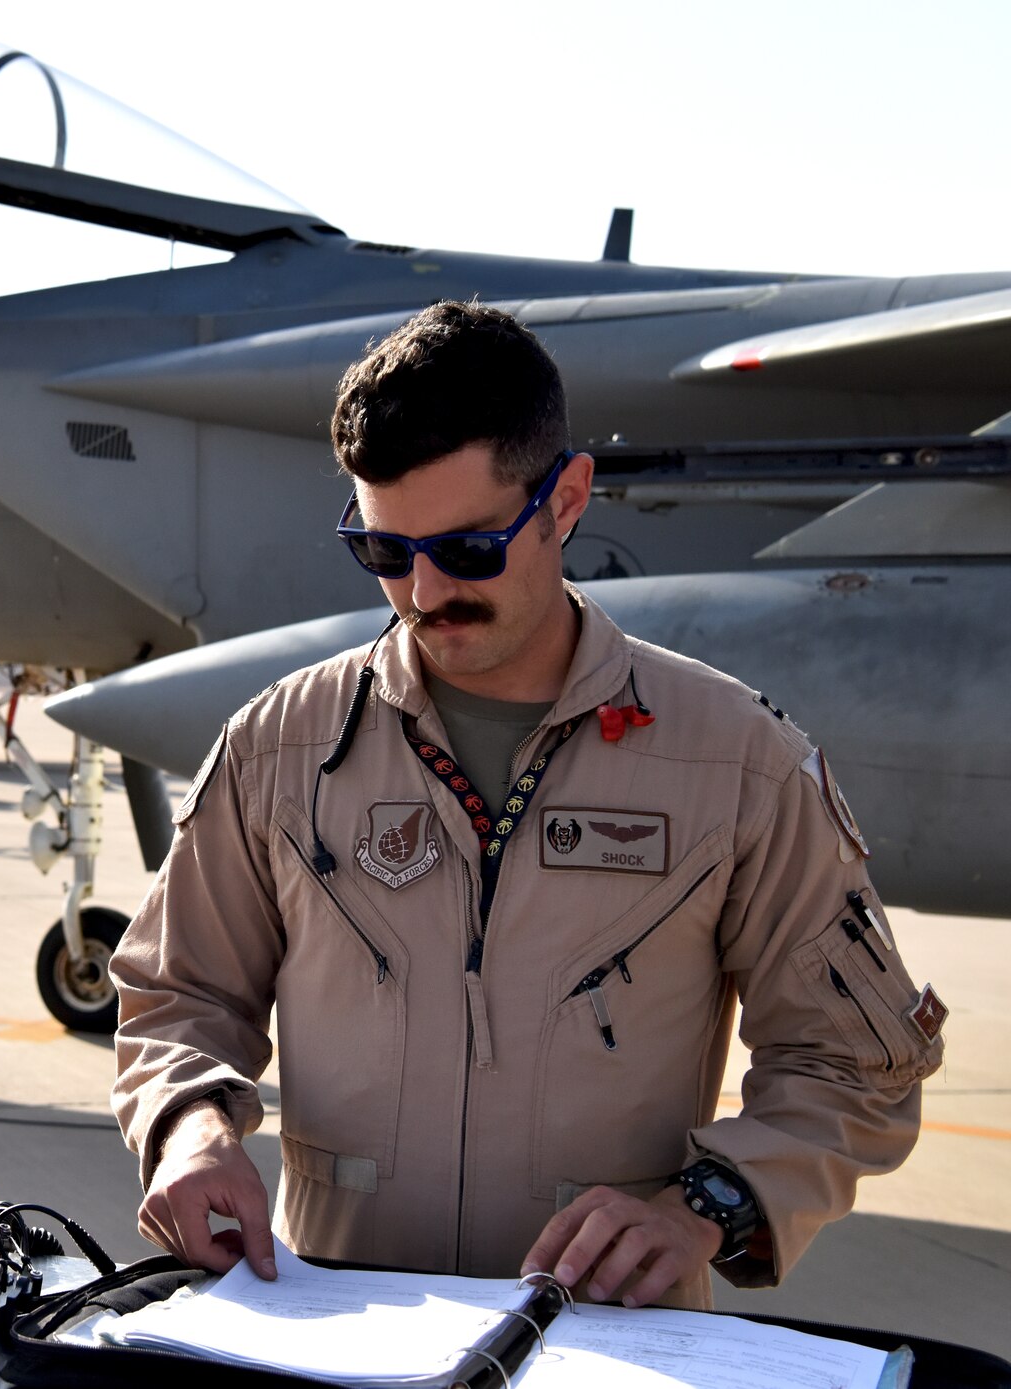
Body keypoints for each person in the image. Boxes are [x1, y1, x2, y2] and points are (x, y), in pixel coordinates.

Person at [111, 301, 945, 1310]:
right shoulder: (280, 747)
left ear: (565, 500)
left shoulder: (734, 761)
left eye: (465, 550)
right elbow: (180, 996)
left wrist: (704, 1209)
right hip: (335, 1341)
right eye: (382, 553)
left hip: (601, 1350)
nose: (420, 592)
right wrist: (189, 1132)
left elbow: (852, 1060)